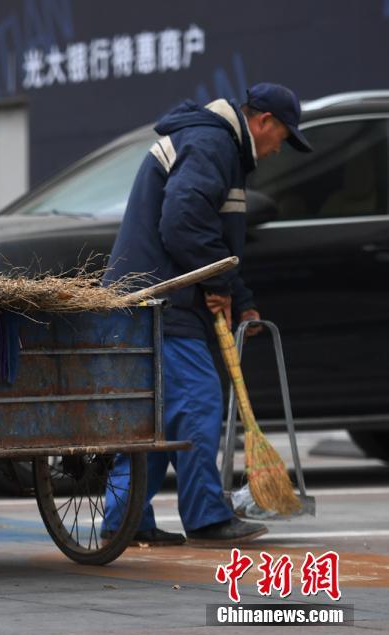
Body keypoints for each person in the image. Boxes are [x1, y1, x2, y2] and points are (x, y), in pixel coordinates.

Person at [102, 83, 313, 546]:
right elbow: (182, 223)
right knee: (196, 404)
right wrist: (216, 284)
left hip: (143, 298)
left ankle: (124, 521)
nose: (279, 148)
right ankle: (206, 517)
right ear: (262, 122)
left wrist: (236, 294)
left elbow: (202, 230)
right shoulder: (214, 142)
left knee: (152, 419)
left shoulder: (214, 144)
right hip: (161, 299)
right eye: (282, 136)